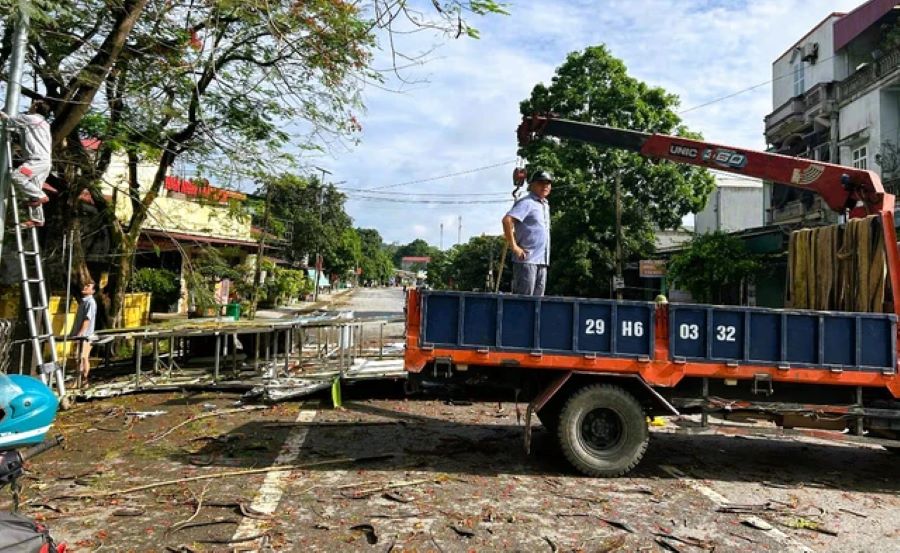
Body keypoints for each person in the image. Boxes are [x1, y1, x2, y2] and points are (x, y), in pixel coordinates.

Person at [0, 100, 52, 227]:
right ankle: (38, 219)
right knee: (34, 188)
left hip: (35, 161)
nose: (29, 107)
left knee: (17, 176)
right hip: (45, 162)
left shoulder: (29, 118)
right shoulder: (44, 123)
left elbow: (8, 120)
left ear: (36, 107)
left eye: (32, 105)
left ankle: (41, 196)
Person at [502, 170, 552, 296]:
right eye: (541, 183)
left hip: (542, 261)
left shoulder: (544, 205)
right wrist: (514, 247)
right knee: (524, 301)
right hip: (527, 261)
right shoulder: (527, 202)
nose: (545, 186)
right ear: (532, 185)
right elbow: (507, 221)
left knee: (538, 302)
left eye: (548, 183)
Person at [70, 281, 97, 385]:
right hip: (80, 335)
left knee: (81, 357)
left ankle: (81, 381)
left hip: (85, 336)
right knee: (82, 358)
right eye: (85, 285)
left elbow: (87, 319)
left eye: (88, 286)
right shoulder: (83, 301)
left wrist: (81, 333)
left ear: (93, 291)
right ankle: (82, 381)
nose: (85, 287)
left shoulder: (90, 302)